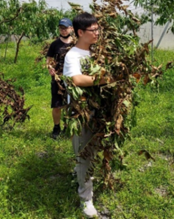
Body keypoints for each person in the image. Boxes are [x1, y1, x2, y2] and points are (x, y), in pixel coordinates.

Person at [63, 12, 106, 218]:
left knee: (92, 150)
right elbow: (76, 80)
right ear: (80, 32)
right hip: (82, 112)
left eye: (98, 29)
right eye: (93, 30)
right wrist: (104, 79)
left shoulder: (95, 52)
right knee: (85, 155)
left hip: (97, 110)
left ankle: (82, 177)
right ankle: (86, 198)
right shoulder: (73, 55)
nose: (97, 33)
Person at [46, 18, 73, 139]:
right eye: (61, 28)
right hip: (58, 79)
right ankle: (56, 127)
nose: (63, 30)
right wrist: (50, 68)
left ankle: (68, 126)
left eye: (66, 28)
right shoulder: (55, 44)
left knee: (70, 104)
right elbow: (49, 60)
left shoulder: (76, 43)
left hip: (72, 78)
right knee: (57, 105)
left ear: (71, 28)